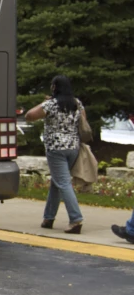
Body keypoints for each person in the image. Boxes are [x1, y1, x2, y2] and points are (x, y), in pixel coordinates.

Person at [25, 75, 86, 234]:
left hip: (56, 148)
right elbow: (83, 121)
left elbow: (29, 116)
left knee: (63, 183)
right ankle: (48, 218)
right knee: (57, 182)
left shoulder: (51, 104)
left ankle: (76, 219)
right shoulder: (77, 103)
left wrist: (44, 102)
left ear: (54, 87)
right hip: (73, 147)